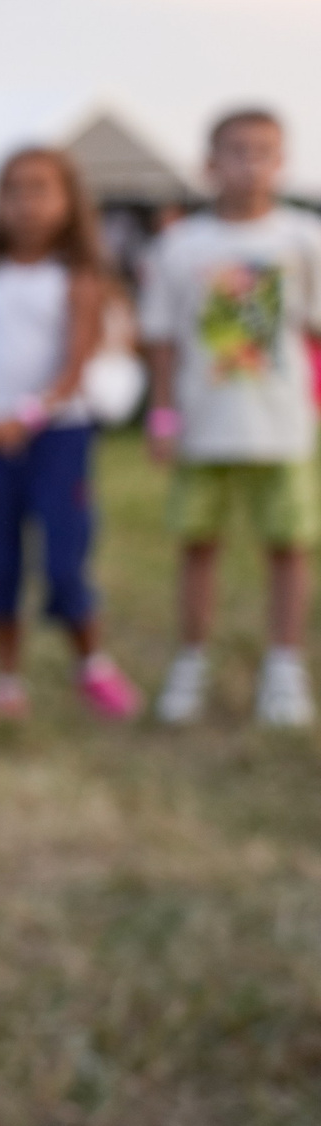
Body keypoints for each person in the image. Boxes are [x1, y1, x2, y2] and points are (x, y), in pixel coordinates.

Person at [140, 108, 321, 728]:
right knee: (198, 543)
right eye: (235, 151)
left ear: (282, 161)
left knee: (288, 546)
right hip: (203, 425)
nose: (249, 163)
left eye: (263, 151)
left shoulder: (303, 238)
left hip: (282, 427)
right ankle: (190, 663)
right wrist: (161, 412)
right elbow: (161, 339)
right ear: (209, 164)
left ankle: (284, 669)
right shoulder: (181, 245)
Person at [0, 147, 141, 720]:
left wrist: (26, 416)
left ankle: (92, 664)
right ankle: (4, 681)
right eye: (15, 190)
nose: (27, 203)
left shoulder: (77, 279)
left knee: (64, 560)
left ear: (68, 202)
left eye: (41, 189)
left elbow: (74, 368)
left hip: (57, 438)